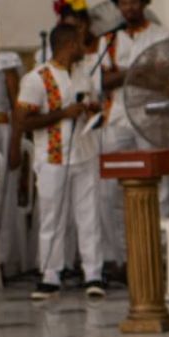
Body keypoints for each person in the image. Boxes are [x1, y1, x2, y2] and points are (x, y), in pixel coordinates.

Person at [15, 24, 105, 299]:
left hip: (84, 153)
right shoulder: (36, 78)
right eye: (80, 42)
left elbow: (90, 102)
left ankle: (93, 275)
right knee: (52, 217)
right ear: (68, 44)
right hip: (52, 157)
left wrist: (91, 110)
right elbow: (22, 120)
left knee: (89, 215)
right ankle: (50, 275)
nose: (84, 47)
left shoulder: (81, 73)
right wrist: (63, 114)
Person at [101, 0, 169, 265]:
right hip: (117, 116)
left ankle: (163, 255)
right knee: (111, 187)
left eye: (133, 1)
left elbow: (162, 76)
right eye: (123, 3)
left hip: (153, 115)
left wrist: (125, 73)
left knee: (162, 185)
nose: (128, 7)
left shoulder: (160, 34)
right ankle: (121, 258)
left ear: (143, 2)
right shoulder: (110, 39)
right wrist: (137, 71)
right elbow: (104, 80)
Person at [0, 15, 24, 277]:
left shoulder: (5, 63)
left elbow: (17, 106)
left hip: (1, 131)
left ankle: (1, 259)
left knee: (3, 194)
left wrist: (16, 141)